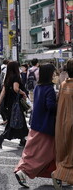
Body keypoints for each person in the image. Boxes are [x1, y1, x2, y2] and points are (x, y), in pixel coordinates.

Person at [14, 63, 57, 188]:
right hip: (46, 125)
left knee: (31, 151)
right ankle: (24, 171)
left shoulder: (38, 87)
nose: (55, 75)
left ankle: (22, 169)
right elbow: (51, 107)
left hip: (36, 124)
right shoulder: (49, 88)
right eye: (53, 73)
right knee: (44, 153)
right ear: (50, 74)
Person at [0, 61, 29, 149]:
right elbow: (16, 88)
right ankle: (2, 137)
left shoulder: (7, 77)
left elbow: (3, 91)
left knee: (16, 120)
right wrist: (23, 93)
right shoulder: (16, 77)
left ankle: (22, 140)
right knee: (16, 121)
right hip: (16, 103)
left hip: (9, 103)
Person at [52, 59, 73, 189]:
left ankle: (60, 175)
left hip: (62, 123)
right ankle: (59, 174)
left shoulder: (64, 84)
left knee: (66, 152)